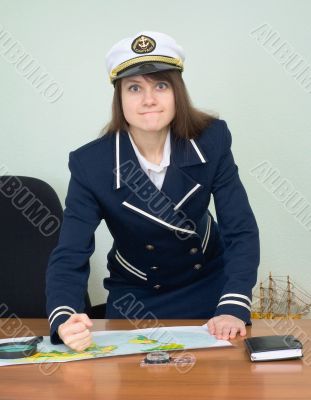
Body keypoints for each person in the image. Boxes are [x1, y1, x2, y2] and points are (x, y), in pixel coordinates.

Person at [46, 31, 260, 351]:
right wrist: (64, 318)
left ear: (177, 93)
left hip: (211, 291)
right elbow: (70, 253)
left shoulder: (211, 140)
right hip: (136, 300)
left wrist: (232, 306)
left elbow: (240, 229)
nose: (149, 100)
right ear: (119, 97)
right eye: (135, 88)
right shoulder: (91, 164)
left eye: (160, 85)